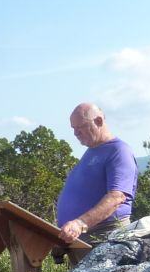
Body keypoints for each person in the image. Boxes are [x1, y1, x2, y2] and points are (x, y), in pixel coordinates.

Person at [56, 103, 137, 244]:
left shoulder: (119, 151)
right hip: (81, 239)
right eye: (73, 129)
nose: (76, 133)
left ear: (98, 121)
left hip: (105, 237)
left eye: (80, 127)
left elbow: (117, 197)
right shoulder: (91, 151)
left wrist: (80, 223)